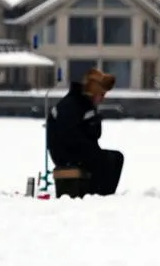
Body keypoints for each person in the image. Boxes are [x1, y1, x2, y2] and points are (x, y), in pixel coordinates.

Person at [46, 67, 124, 197]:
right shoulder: (76, 105)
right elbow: (71, 135)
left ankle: (99, 192)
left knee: (112, 159)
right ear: (94, 92)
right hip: (69, 154)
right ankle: (100, 194)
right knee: (113, 159)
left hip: (67, 152)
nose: (102, 99)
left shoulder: (77, 103)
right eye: (102, 94)